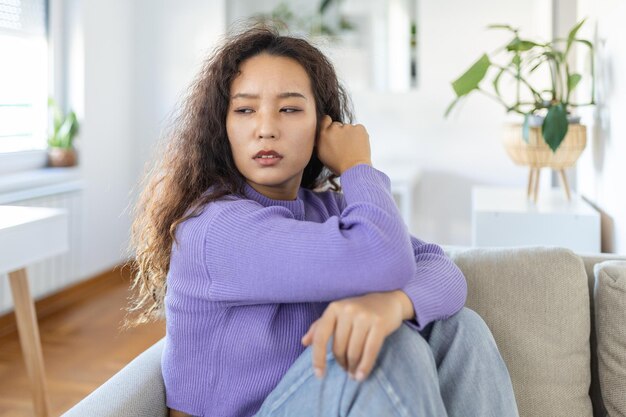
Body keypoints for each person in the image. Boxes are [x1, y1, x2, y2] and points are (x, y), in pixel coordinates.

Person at [126, 25, 519, 417]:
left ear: (322, 126)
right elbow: (384, 258)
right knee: (389, 348)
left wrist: (392, 303)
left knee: (459, 328)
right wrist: (357, 165)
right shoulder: (215, 228)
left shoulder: (326, 210)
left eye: (290, 109)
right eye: (245, 110)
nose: (266, 129)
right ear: (222, 128)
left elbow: (442, 269)